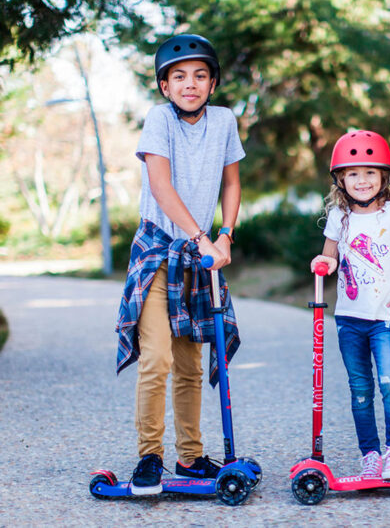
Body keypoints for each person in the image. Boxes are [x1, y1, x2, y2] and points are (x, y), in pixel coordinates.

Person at [115, 34, 244, 495]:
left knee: (190, 364)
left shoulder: (224, 121)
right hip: (158, 251)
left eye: (200, 75)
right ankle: (149, 456)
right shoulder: (159, 119)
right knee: (157, 357)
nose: (191, 84)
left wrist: (225, 234)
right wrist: (202, 237)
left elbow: (232, 183)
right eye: (180, 77)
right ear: (165, 86)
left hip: (198, 256)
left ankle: (190, 457)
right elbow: (161, 186)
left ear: (213, 83)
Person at [310, 130, 390, 481]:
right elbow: (330, 259)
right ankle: (371, 456)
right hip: (349, 318)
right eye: (353, 173)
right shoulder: (338, 216)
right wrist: (324, 263)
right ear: (340, 179)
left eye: (369, 172)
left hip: (386, 316)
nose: (361, 180)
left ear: (383, 177)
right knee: (360, 389)